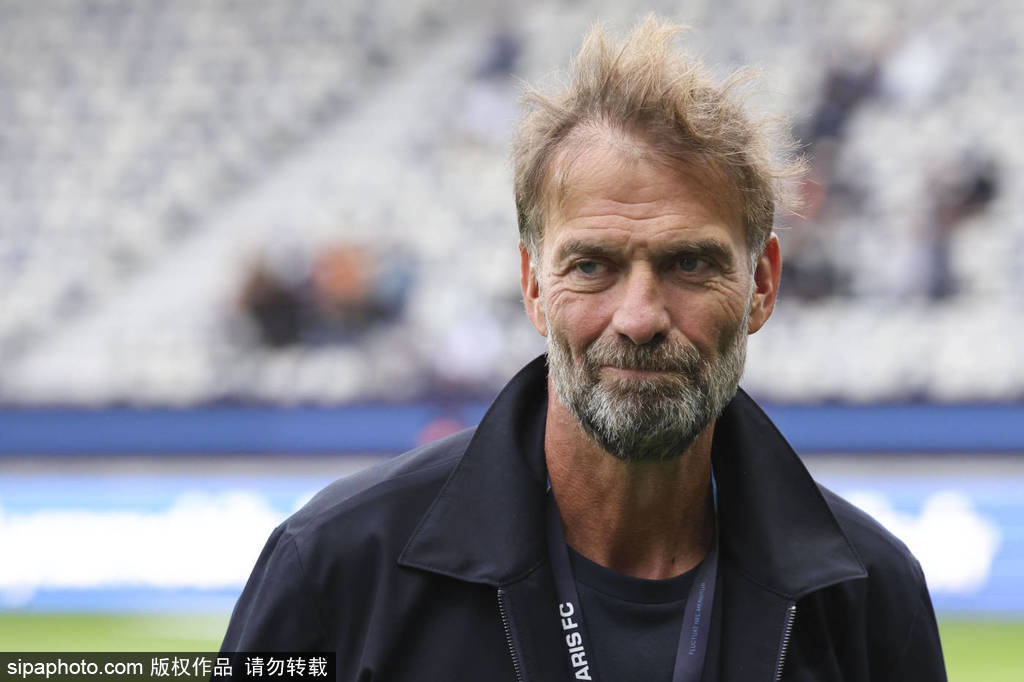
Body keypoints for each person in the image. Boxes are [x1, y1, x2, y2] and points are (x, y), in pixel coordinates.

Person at [221, 17, 946, 681]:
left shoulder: (869, 595)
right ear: (534, 285)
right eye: (593, 265)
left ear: (761, 284)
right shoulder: (333, 567)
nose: (639, 318)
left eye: (690, 264)